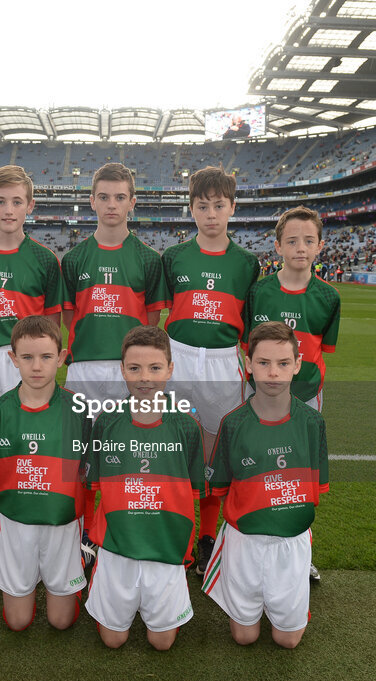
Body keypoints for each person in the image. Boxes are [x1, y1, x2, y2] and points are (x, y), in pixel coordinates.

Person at [0, 165, 67, 572]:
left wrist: (44, 362)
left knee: (34, 450)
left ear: (30, 206)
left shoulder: (43, 259)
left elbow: (53, 324)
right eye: (0, 201)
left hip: (30, 360)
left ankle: (38, 531)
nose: (8, 209)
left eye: (16, 201)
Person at [61, 162, 170, 562]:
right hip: (84, 368)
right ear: (91, 201)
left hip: (129, 373)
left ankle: (120, 528)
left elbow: (152, 321)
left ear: (132, 203)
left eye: (120, 197)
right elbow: (70, 318)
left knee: (127, 453)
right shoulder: (73, 259)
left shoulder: (148, 258)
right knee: (81, 454)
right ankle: (84, 534)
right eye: (104, 197)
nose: (112, 204)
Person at [202, 322, 328, 648]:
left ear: (297, 365)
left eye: (284, 363)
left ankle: (286, 599)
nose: (274, 373)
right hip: (244, 541)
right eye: (264, 363)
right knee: (244, 637)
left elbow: (314, 490)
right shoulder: (233, 423)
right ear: (248, 364)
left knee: (287, 641)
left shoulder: (313, 423)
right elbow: (222, 487)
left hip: (291, 542)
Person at [161, 166, 259, 578]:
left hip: (223, 360)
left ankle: (207, 538)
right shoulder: (174, 257)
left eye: (219, 205)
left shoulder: (247, 263)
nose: (211, 214)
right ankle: (179, 535)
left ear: (232, 208)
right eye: (203, 206)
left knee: (216, 454)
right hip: (179, 358)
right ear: (192, 209)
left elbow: (251, 324)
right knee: (177, 447)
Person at [84, 326, 206, 650]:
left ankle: (164, 593)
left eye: (154, 368)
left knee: (162, 642)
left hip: (165, 545)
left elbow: (192, 493)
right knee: (113, 639)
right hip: (117, 543)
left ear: (170, 368)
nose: (144, 378)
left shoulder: (186, 426)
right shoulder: (106, 423)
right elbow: (95, 487)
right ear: (122, 369)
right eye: (134, 368)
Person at [243, 205, 338, 582]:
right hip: (258, 398)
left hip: (306, 398)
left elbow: (321, 354)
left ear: (320, 246)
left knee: (299, 478)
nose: (301, 247)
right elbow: (246, 345)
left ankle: (301, 551)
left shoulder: (329, 297)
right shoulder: (260, 292)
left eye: (309, 240)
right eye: (292, 241)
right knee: (255, 469)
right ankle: (246, 544)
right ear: (278, 246)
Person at [0, 316, 90, 630]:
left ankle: (76, 570)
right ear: (13, 359)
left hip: (63, 525)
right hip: (15, 525)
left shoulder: (79, 409)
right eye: (27, 357)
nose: (36, 366)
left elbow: (86, 477)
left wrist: (89, 530)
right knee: (17, 622)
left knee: (60, 621)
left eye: (46, 357)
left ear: (62, 358)